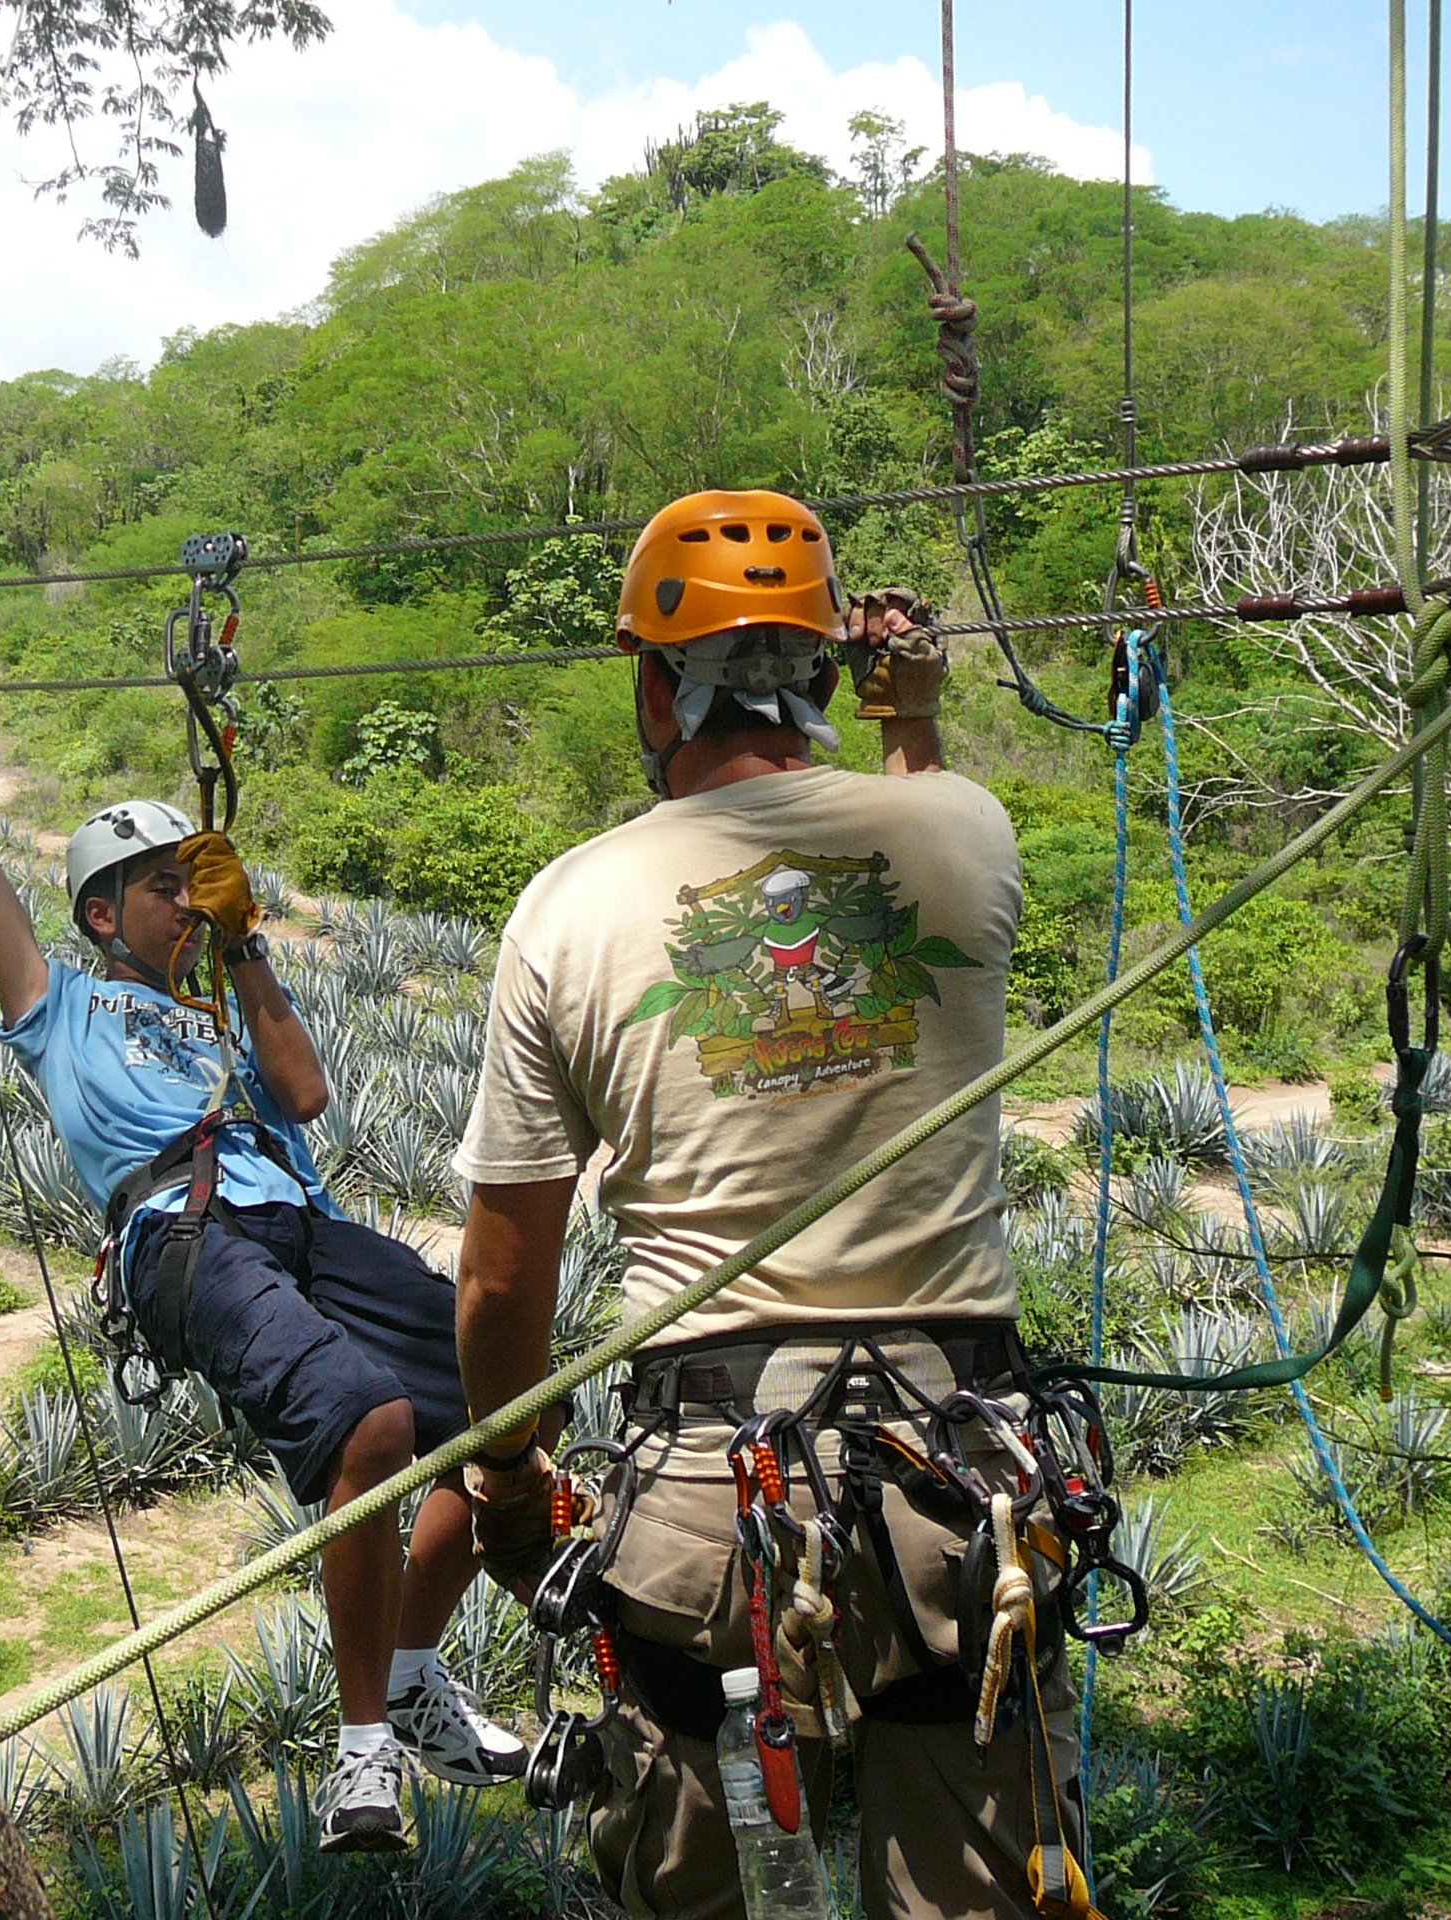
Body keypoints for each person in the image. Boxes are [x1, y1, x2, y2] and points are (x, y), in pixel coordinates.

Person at [451, 490, 1082, 1919]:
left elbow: (503, 1283)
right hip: (954, 1474)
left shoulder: (569, 905)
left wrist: (502, 1486)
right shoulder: (964, 835)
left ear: (652, 688)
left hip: (705, 1496)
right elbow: (912, 813)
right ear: (820, 682)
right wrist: (908, 706)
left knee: (706, 1877)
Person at [0, 674, 523, 1852]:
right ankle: (360, 1756)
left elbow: (307, 1094)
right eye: (163, 889)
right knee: (371, 1424)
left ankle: (409, 1672)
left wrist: (241, 945)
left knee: (506, 1409)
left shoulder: (224, 1015)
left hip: (298, 1221)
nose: (184, 903)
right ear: (100, 914)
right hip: (182, 1237)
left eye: (193, 885)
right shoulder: (59, 1007)